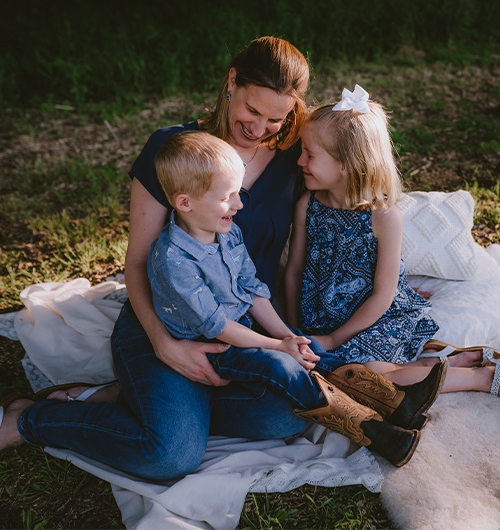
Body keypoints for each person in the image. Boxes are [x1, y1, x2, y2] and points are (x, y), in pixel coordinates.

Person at [0, 39, 444, 479]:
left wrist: (387, 283)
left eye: (276, 118)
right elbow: (137, 261)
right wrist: (164, 344)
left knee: (286, 417)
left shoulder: (297, 156)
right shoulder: (174, 151)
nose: (259, 128)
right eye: (252, 111)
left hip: (249, 319)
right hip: (170, 316)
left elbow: (354, 186)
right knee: (169, 456)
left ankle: (138, 398)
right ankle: (30, 418)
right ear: (232, 82)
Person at [148, 129, 449, 466]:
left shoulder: (227, 231)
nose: (239, 204)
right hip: (210, 346)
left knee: (309, 348)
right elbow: (217, 327)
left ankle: (397, 402)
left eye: (238, 193)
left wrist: (289, 336)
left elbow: (253, 291)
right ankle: (370, 430)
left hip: (240, 327)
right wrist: (277, 347)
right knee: (282, 366)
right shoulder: (174, 261)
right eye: (227, 197)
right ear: (185, 203)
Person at [284, 85, 500, 399]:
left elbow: (383, 295)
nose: (300, 161)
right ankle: (447, 360)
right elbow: (294, 270)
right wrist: (294, 331)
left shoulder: (384, 218)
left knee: (365, 376)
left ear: (346, 163)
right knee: (331, 373)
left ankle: (481, 376)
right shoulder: (308, 204)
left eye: (310, 154)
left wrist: (334, 339)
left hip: (374, 316)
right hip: (318, 319)